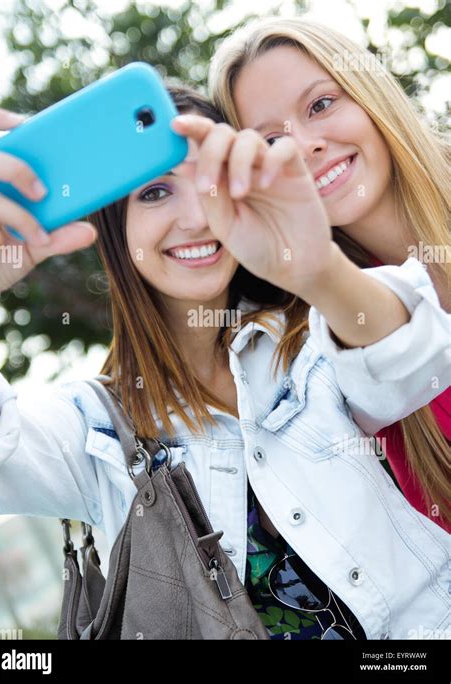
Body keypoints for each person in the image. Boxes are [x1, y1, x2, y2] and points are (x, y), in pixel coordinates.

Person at [0, 84, 449, 640]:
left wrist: (315, 265)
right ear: (114, 228)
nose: (197, 217)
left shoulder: (308, 338)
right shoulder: (94, 426)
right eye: (155, 192)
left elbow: (413, 363)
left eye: (213, 183)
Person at [207, 16, 451, 532]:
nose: (302, 146)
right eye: (271, 140)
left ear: (370, 95)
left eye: (321, 104)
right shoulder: (322, 344)